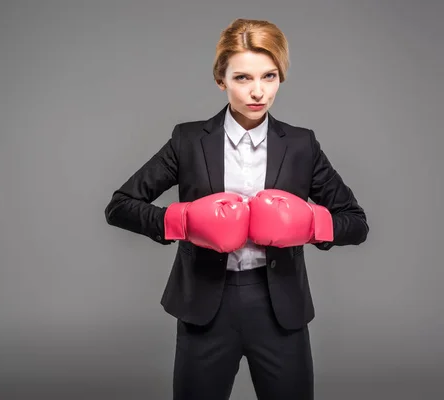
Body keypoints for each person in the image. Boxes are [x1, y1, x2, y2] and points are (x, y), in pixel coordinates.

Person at [104, 18, 368, 400]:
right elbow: (120, 206)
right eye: (243, 78)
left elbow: (355, 222)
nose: (258, 91)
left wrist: (311, 224)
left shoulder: (301, 145)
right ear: (220, 79)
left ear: (281, 77)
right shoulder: (188, 140)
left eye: (269, 76)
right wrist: (183, 221)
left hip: (279, 308)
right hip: (205, 306)